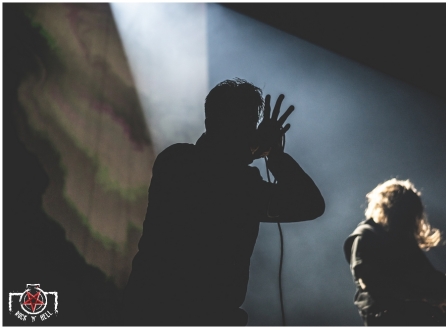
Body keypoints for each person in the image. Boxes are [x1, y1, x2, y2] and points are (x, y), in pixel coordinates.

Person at [122, 78, 325, 325]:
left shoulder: (243, 182)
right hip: (159, 312)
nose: (250, 132)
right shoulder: (180, 160)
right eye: (241, 123)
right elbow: (218, 178)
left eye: (251, 123)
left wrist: (276, 156)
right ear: (211, 123)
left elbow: (311, 204)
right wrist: (263, 150)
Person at [343, 179, 446, 326]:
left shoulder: (401, 240)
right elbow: (370, 283)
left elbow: (427, 277)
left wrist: (445, 282)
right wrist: (421, 301)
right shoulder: (366, 235)